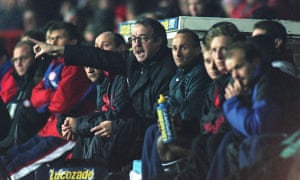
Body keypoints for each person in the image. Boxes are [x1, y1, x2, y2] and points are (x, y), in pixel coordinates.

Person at [31, 17, 177, 173]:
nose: (137, 44)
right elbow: (94, 56)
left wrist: (115, 127)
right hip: (134, 135)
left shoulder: (167, 70)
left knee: (103, 135)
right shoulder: (132, 63)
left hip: (147, 139)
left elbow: (156, 121)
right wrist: (56, 49)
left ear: (159, 41)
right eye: (134, 39)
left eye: (143, 38)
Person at [0, 21, 95, 180]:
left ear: (73, 42)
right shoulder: (52, 63)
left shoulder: (76, 65)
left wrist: (47, 96)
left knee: (15, 169)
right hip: (48, 128)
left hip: (66, 133)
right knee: (8, 157)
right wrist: (52, 93)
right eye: (50, 39)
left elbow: (60, 104)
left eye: (58, 38)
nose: (52, 43)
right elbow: (35, 98)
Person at [206, 40, 300, 180]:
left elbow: (258, 127)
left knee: (250, 144)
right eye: (231, 71)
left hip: (290, 142)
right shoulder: (254, 83)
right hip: (280, 140)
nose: (235, 76)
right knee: (222, 140)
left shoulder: (270, 81)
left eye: (239, 67)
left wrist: (232, 103)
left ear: (255, 62)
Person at [57, 31, 134, 171]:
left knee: (98, 133)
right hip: (114, 133)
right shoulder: (104, 79)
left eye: (105, 46)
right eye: (96, 48)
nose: (98, 52)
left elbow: (116, 115)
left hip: (128, 133)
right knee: (83, 134)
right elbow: (99, 113)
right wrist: (72, 126)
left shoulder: (124, 76)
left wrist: (78, 124)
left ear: (122, 49)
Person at [141, 29, 211, 179]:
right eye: (174, 48)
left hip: (194, 131)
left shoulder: (200, 73)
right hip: (182, 125)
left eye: (183, 48)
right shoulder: (178, 74)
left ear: (198, 50)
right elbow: (162, 103)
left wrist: (169, 109)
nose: (177, 53)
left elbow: (188, 112)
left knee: (161, 136)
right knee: (151, 130)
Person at [0, 41, 49, 149]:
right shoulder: (21, 84)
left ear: (35, 57)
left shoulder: (38, 85)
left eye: (23, 58)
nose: (18, 64)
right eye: (15, 60)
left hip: (28, 148)